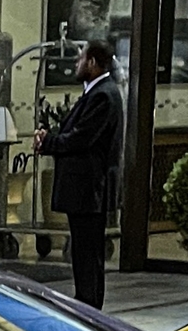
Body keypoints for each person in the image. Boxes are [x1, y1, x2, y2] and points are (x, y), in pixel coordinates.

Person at [34, 39, 124, 307]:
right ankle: (86, 301)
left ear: (93, 63)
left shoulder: (103, 95)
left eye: (81, 59)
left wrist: (48, 142)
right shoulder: (95, 92)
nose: (77, 64)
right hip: (85, 189)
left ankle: (88, 304)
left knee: (87, 253)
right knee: (84, 252)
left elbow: (81, 139)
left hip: (89, 187)